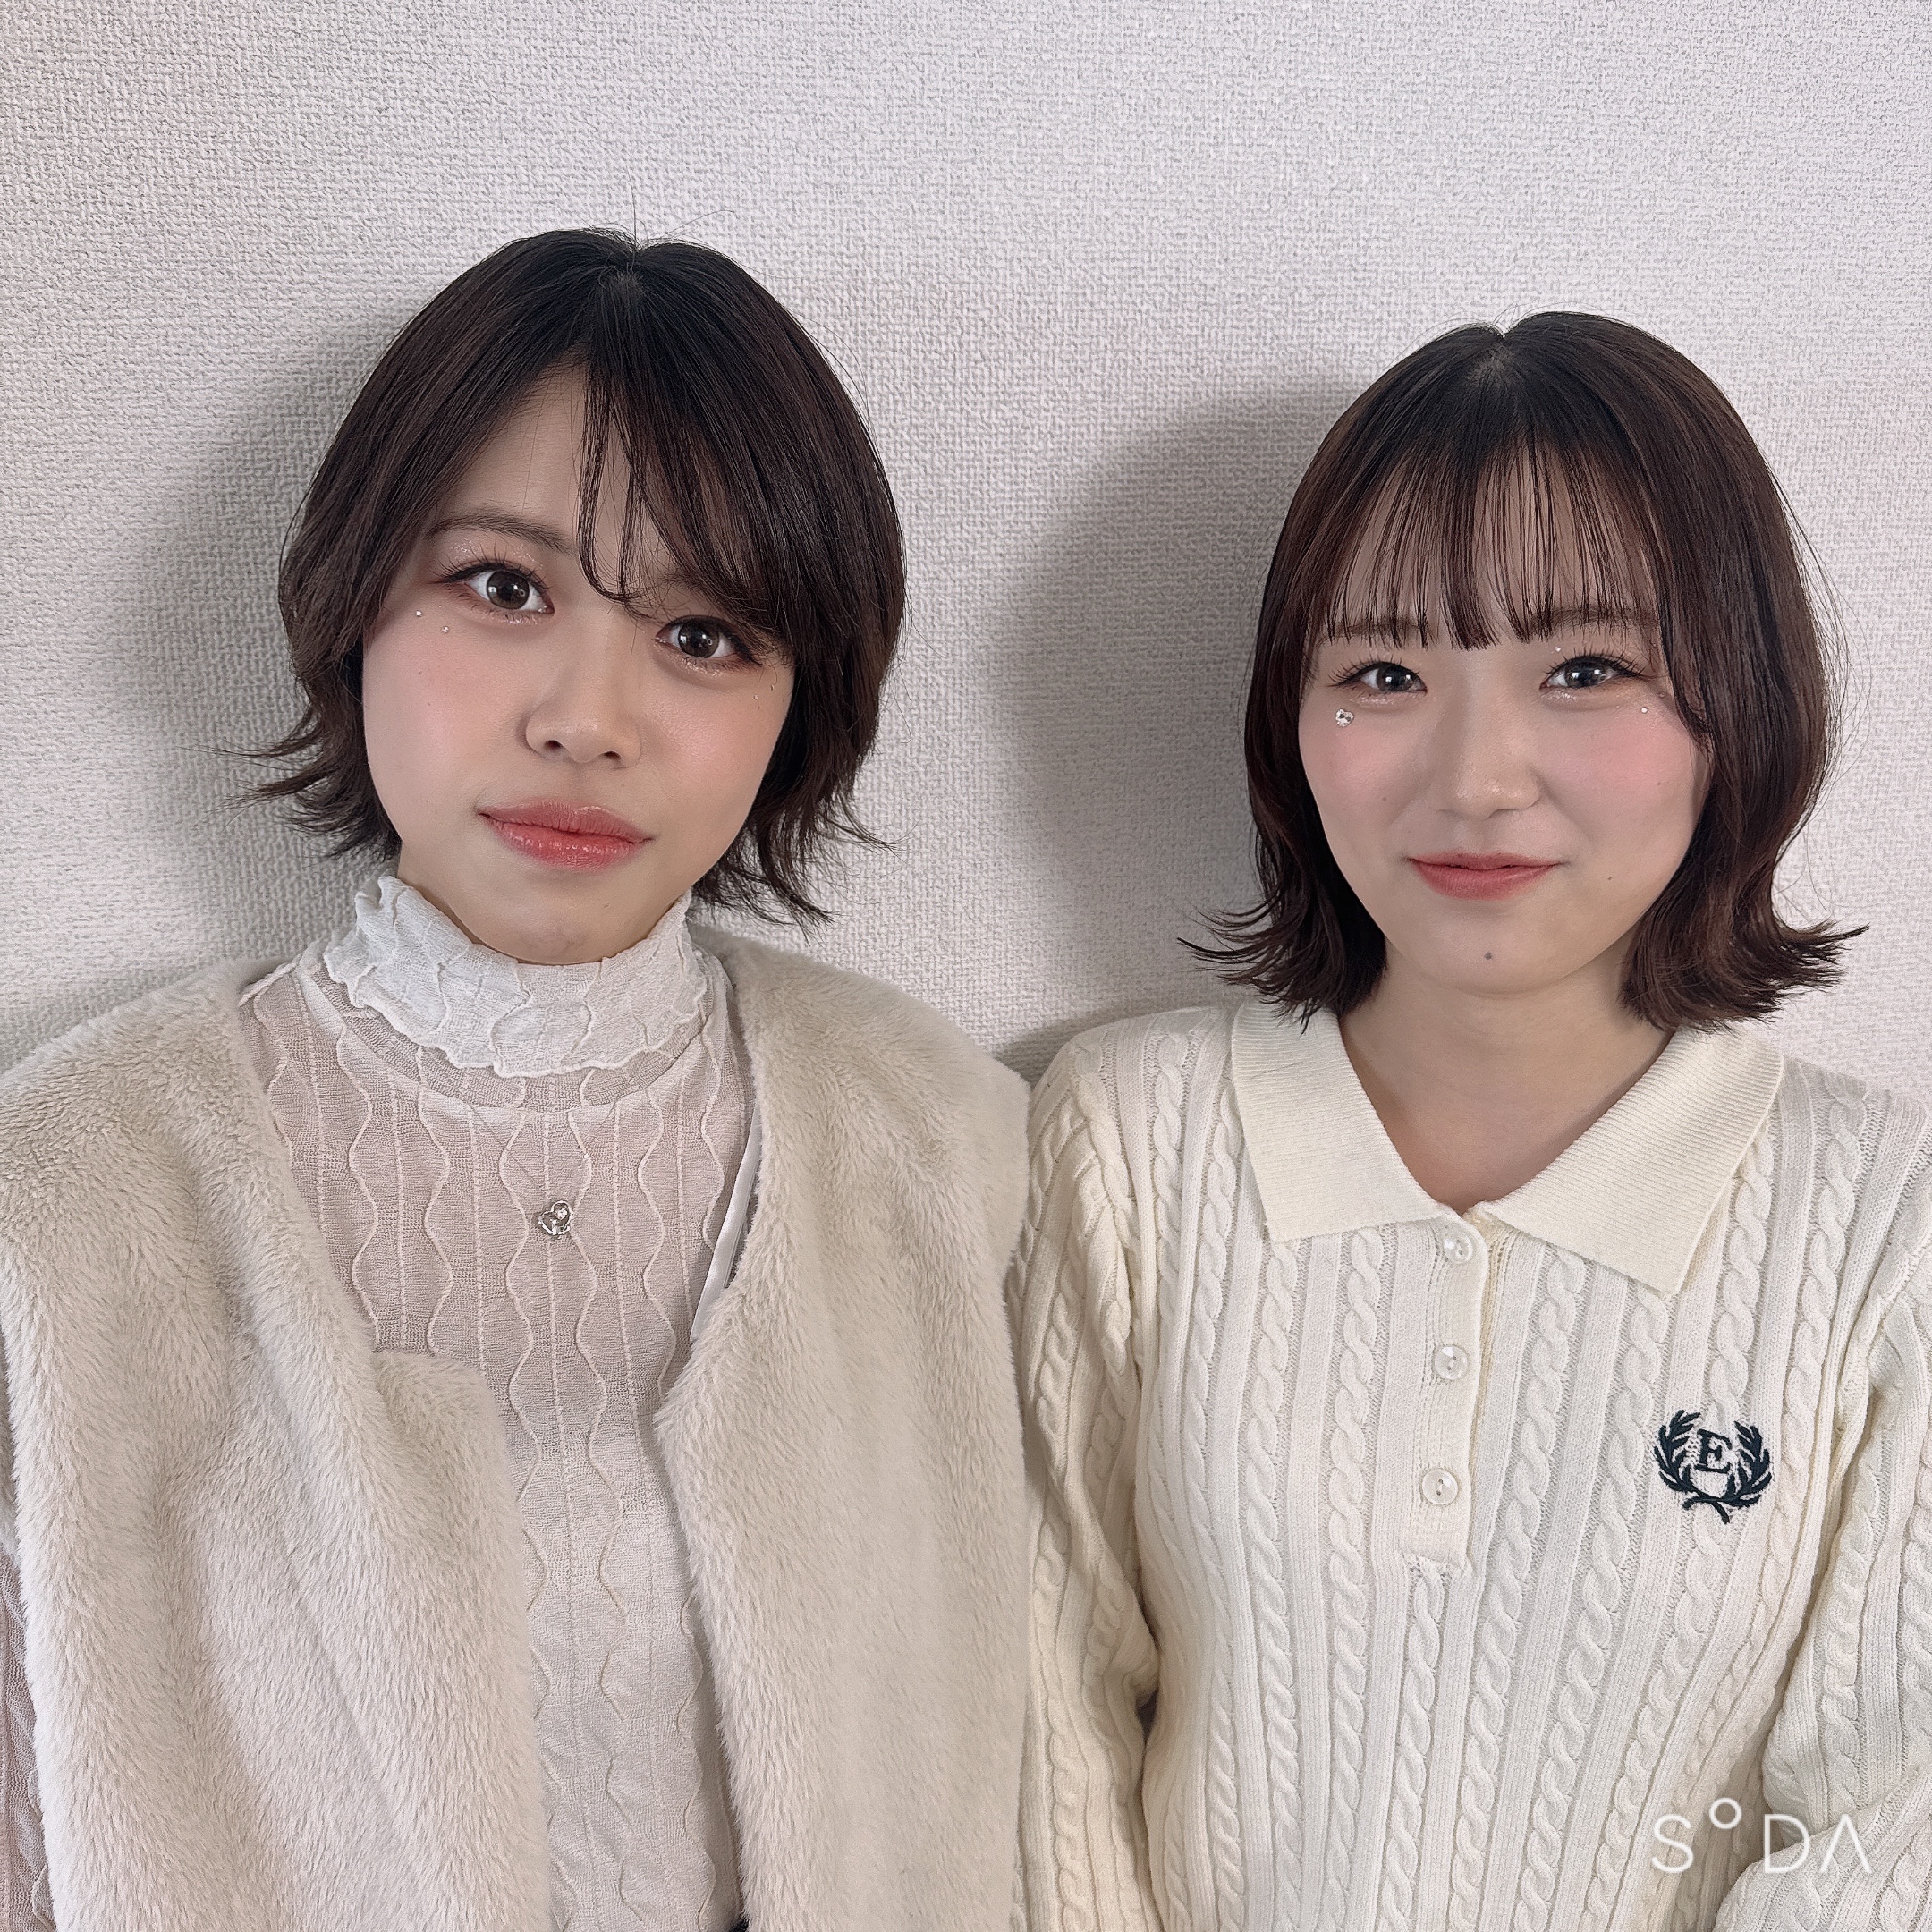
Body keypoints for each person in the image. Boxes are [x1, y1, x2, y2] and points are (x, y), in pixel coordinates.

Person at [0, 230, 1027, 1932]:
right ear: (354, 601)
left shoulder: (934, 1137)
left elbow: (1034, 1783)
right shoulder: (69, 1189)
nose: (588, 716)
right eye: (503, 587)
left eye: (703, 633)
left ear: (799, 703)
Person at [1012, 313, 1932, 1929]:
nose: (1477, 776)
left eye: (1586, 671)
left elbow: (1887, 1822)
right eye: (1384, 674)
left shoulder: (1882, 1217)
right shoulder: (1127, 1140)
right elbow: (1040, 1728)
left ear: (1739, 702)